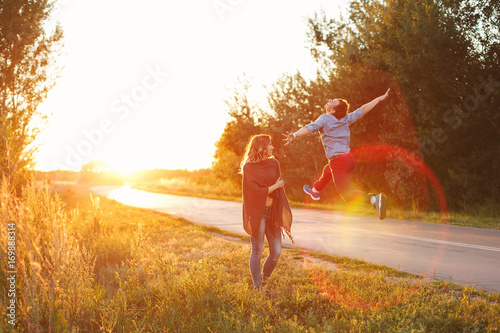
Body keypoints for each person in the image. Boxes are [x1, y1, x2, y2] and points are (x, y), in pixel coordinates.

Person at [282, 89, 391, 220]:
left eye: (332, 102)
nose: (329, 100)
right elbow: (363, 109)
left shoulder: (325, 119)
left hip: (339, 162)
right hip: (349, 160)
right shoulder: (345, 119)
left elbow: (309, 128)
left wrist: (294, 135)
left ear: (333, 110)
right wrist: (379, 99)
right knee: (329, 168)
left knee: (346, 194)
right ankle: (315, 190)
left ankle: (374, 199)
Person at [241, 134, 293, 292]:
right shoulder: (248, 166)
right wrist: (274, 187)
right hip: (258, 212)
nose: (272, 147)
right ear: (261, 147)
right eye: (270, 144)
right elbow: (253, 192)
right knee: (257, 251)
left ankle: (263, 280)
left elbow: (279, 186)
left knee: (276, 252)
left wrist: (276, 187)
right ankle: (258, 288)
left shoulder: (274, 163)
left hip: (273, 211)